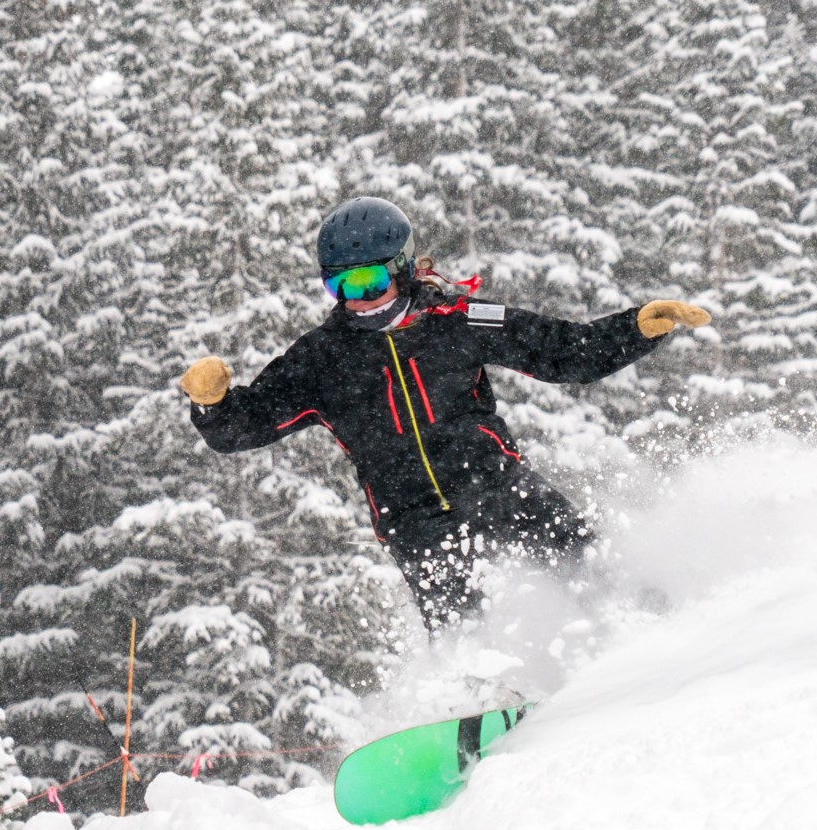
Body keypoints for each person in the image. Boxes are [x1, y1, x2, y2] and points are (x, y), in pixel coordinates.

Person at [179, 197, 711, 629]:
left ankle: (667, 634)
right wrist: (212, 405)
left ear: (403, 268)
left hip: (497, 485)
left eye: (368, 282)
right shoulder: (320, 359)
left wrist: (636, 328)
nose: (357, 299)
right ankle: (480, 701)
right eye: (339, 286)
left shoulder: (461, 320)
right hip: (414, 521)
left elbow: (564, 352)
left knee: (588, 568)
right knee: (463, 628)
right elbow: (244, 426)